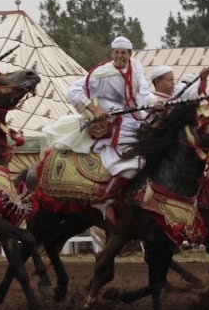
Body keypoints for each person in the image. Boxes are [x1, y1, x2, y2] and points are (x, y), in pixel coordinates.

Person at [68, 36, 158, 202]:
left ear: (130, 54)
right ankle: (107, 200)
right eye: (116, 52)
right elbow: (73, 91)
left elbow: (143, 93)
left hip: (137, 118)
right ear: (112, 53)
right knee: (133, 165)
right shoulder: (102, 73)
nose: (119, 56)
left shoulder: (136, 67)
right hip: (115, 123)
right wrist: (94, 109)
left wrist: (155, 103)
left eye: (123, 53)